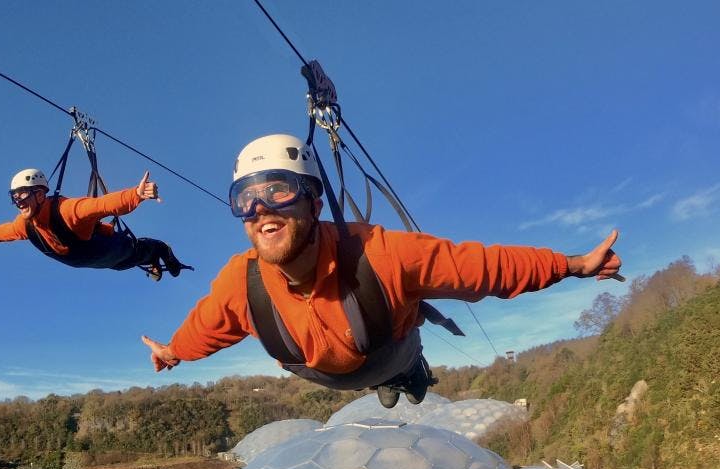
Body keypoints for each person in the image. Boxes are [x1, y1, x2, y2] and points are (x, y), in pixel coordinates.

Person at [141, 133, 622, 407]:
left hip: (388, 350)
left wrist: (574, 265)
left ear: (312, 200)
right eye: (246, 200)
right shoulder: (240, 283)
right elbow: (206, 326)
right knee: (350, 360)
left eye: (279, 190)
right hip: (322, 374)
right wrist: (172, 352)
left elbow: (484, 268)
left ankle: (410, 373)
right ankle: (390, 380)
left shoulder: (381, 253)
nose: (262, 208)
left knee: (395, 357)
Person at [0, 168, 190, 280]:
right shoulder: (24, 225)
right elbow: (5, 231)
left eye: (23, 195)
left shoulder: (67, 210)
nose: (19, 202)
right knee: (120, 266)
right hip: (97, 260)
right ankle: (151, 259)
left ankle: (161, 249)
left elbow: (102, 205)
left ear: (40, 195)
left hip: (108, 247)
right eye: (15, 197)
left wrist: (137, 194)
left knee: (132, 253)